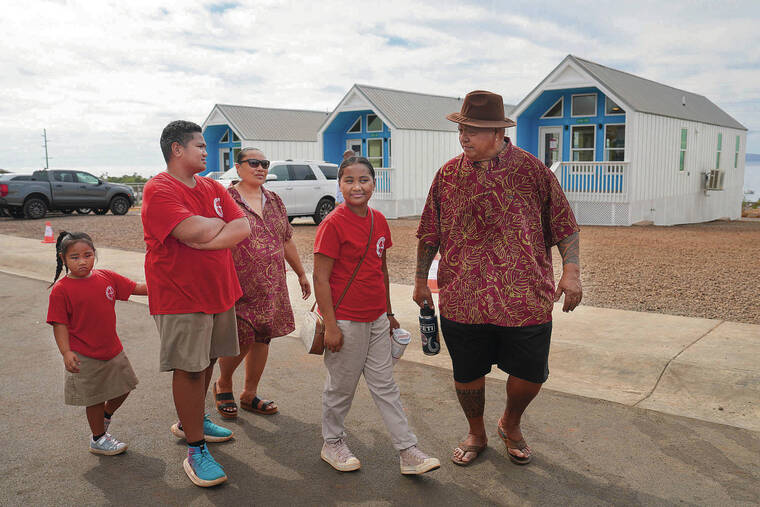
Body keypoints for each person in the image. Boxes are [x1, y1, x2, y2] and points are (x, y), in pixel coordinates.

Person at [414, 90, 582, 466]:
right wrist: (420, 281)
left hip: (524, 296)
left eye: (472, 130)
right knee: (467, 372)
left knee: (530, 374)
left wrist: (571, 271)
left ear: (496, 133)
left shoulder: (532, 170)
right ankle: (476, 431)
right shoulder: (448, 175)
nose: (464, 138)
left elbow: (565, 225)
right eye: (462, 130)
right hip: (462, 296)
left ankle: (511, 421)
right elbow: (429, 232)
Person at [313, 156, 440, 475]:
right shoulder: (332, 223)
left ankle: (407, 450)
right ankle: (332, 442)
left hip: (377, 320)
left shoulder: (379, 220)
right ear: (339, 185)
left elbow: (379, 269)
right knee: (341, 387)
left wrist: (388, 312)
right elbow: (321, 278)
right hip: (345, 321)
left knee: (386, 387)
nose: (357, 186)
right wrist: (331, 325)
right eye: (349, 181)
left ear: (374, 183)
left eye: (364, 180)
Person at [142, 120, 250, 487]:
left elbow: (242, 228)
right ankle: (195, 447)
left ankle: (193, 418)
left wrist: (208, 233)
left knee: (207, 361)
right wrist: (213, 228)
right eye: (200, 146)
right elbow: (192, 230)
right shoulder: (159, 189)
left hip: (218, 289)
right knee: (188, 369)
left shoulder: (212, 187)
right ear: (177, 149)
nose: (206, 151)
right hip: (180, 295)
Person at [214, 148, 311, 418]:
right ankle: (223, 383)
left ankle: (249, 393)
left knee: (263, 336)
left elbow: (286, 238)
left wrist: (301, 273)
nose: (260, 168)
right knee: (242, 335)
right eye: (254, 163)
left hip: (271, 283)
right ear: (238, 167)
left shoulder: (275, 199)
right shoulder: (225, 198)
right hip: (238, 282)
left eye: (264, 164)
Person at [46, 231, 147, 455]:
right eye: (75, 257)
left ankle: (105, 416)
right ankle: (98, 438)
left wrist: (164, 286)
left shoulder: (106, 277)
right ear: (63, 259)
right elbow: (59, 324)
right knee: (94, 399)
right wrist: (66, 352)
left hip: (113, 350)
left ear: (94, 254)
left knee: (125, 388)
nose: (82, 261)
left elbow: (136, 288)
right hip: (84, 355)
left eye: (87, 255)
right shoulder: (61, 290)